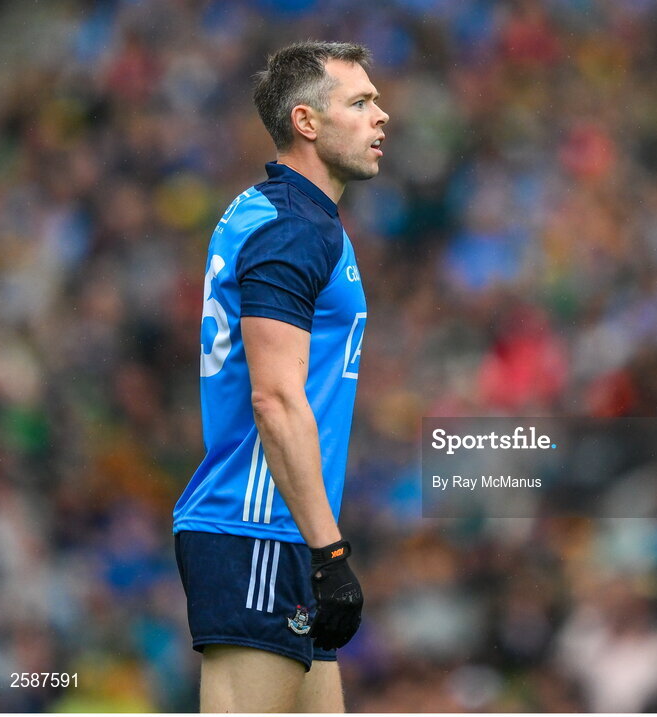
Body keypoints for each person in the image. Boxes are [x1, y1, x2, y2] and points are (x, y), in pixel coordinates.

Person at [172, 40, 388, 712]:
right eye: (360, 102)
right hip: (255, 524)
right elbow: (273, 395)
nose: (382, 116)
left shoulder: (282, 213)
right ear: (306, 122)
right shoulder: (294, 228)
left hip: (279, 526)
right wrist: (330, 550)